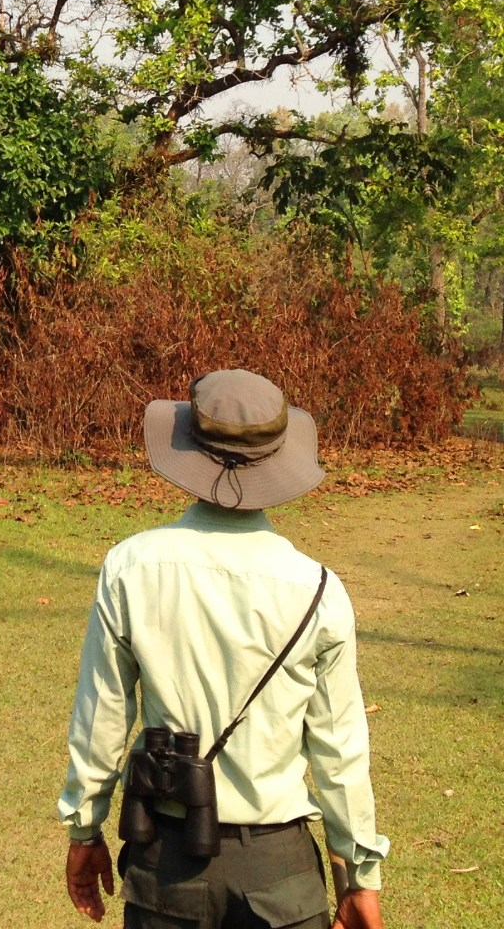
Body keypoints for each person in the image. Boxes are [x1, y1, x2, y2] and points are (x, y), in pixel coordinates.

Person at [58, 369, 389, 928]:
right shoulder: (319, 591)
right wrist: (358, 877)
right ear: (279, 459)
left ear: (189, 449)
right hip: (280, 873)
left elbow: (103, 717)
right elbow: (340, 753)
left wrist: (84, 830)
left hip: (165, 861)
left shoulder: (131, 567)